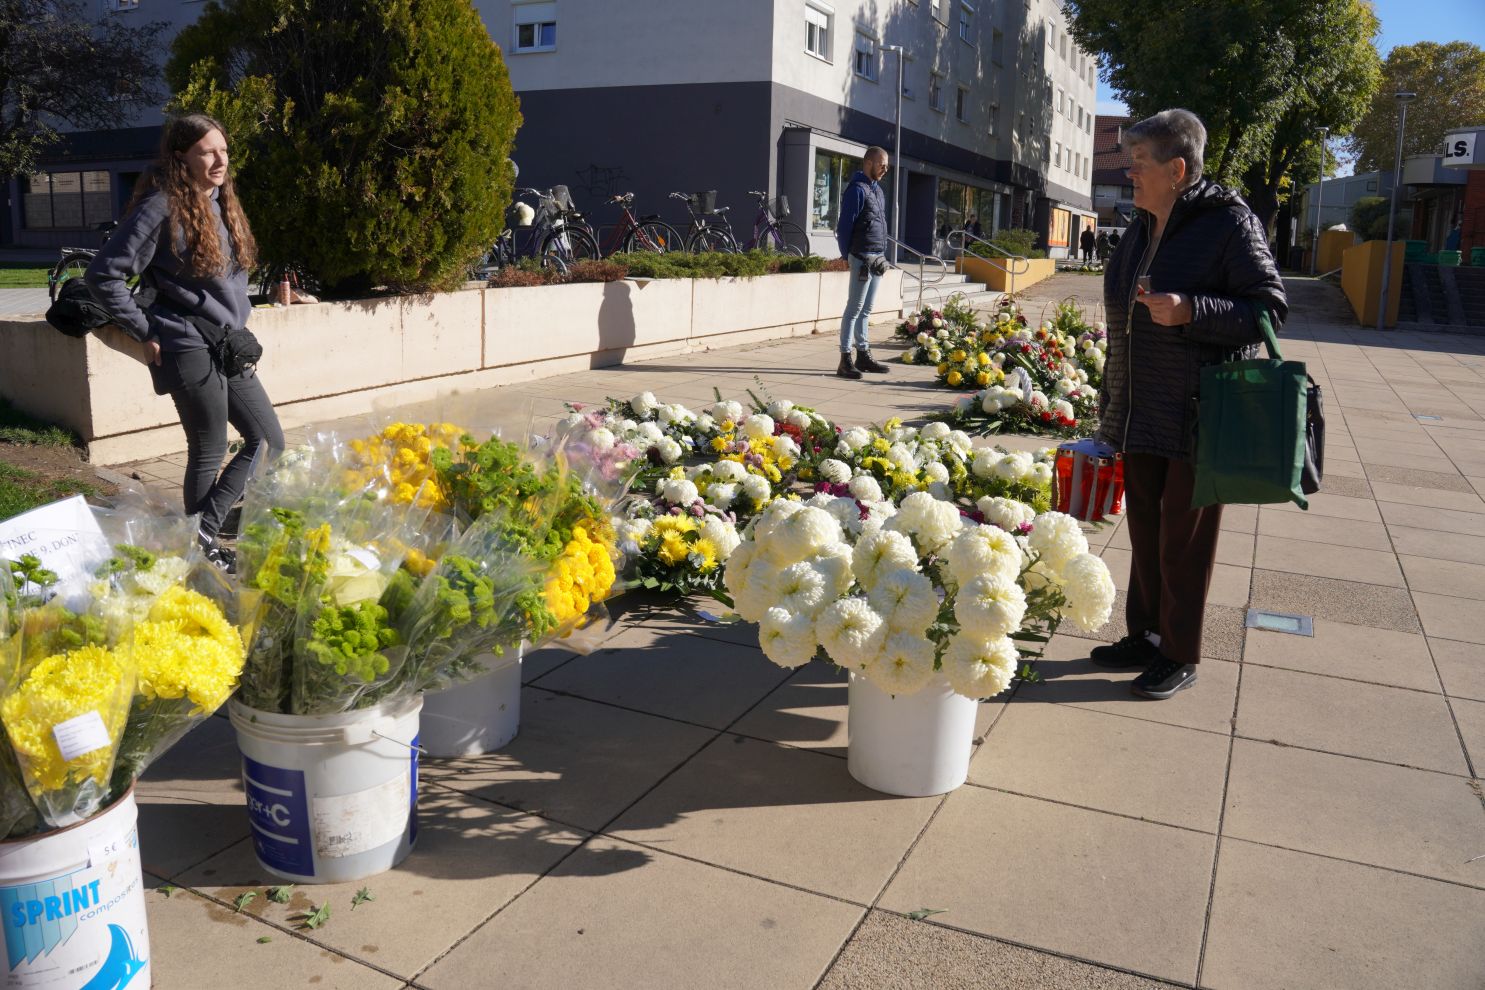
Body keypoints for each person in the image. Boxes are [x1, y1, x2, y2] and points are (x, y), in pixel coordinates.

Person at [1093, 108, 1286, 700]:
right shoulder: (1142, 225)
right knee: (1147, 530)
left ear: (1177, 168)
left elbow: (1268, 308)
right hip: (1144, 406)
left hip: (1202, 412)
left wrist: (1192, 309)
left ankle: (1180, 652)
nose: (1130, 174)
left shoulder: (1228, 222)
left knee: (1185, 541)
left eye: (1139, 164)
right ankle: (1146, 635)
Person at [86, 113, 284, 574]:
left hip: (227, 343)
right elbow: (103, 275)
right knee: (210, 448)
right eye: (207, 152)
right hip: (186, 344)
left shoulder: (221, 202)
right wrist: (145, 331)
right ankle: (204, 546)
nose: (220, 160)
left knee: (268, 440)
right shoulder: (160, 207)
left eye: (224, 150)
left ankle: (198, 537)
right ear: (181, 157)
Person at [834, 146, 892, 380]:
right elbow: (844, 227)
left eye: (887, 165)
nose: (885, 169)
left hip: (877, 258)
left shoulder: (877, 191)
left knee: (866, 309)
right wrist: (848, 255)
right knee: (854, 309)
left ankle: (863, 355)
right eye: (882, 164)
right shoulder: (856, 190)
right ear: (868, 162)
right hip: (861, 257)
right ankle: (845, 359)